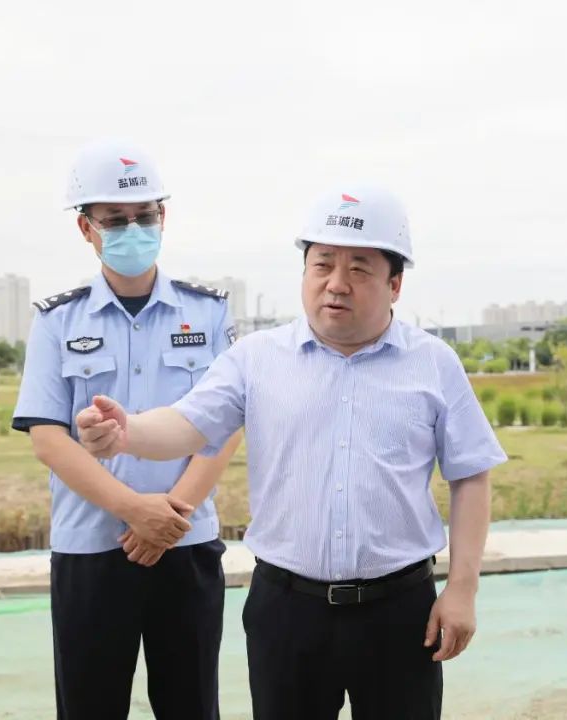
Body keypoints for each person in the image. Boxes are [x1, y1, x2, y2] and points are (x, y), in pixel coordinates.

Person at [75, 186, 507, 720]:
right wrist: (127, 431)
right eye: (322, 264)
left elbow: (471, 475)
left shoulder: (433, 363)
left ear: (395, 284)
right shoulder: (257, 358)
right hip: (287, 611)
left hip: (399, 613)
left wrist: (462, 590)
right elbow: (186, 425)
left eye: (360, 269)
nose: (336, 283)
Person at [12, 139, 240, 720]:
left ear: (164, 217)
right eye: (115, 220)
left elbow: (225, 424)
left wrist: (171, 515)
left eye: (145, 215)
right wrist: (136, 511)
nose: (133, 230)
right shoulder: (57, 320)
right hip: (91, 548)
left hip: (185, 543)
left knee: (191, 706)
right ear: (86, 228)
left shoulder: (208, 310)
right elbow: (48, 438)